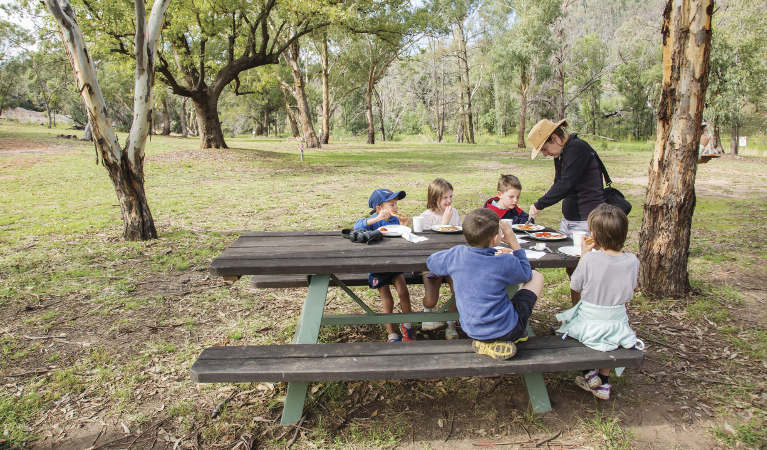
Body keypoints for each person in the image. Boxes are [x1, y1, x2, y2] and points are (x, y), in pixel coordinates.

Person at [427, 208, 544, 360]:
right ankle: (504, 339)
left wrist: (454, 254)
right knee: (537, 276)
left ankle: (486, 342)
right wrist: (514, 242)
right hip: (506, 329)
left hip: (471, 328)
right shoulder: (504, 262)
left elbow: (432, 263)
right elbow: (526, 274)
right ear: (496, 239)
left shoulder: (457, 255)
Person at [555, 203, 644, 400]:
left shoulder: (590, 260)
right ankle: (603, 381)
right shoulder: (632, 260)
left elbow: (575, 285)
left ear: (595, 235)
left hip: (590, 320)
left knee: (569, 328)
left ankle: (588, 371)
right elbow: (632, 288)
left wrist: (585, 255)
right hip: (618, 322)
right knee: (609, 340)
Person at [527, 119, 605, 304]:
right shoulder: (562, 153)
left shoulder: (577, 149)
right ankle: (578, 310)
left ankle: (590, 312)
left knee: (586, 267)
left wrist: (540, 204)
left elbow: (566, 184)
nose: (545, 154)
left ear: (555, 138)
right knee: (573, 268)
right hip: (572, 218)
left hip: (587, 217)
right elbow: (559, 183)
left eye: (545, 149)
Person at [354, 189, 415, 342]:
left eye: (396, 204)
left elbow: (403, 240)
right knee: (387, 299)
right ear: (379, 208)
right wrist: (376, 219)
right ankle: (391, 333)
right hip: (377, 265)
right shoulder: (373, 221)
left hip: (394, 263)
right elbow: (356, 226)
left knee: (403, 292)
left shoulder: (395, 220)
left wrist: (404, 226)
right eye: (391, 204)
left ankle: (407, 326)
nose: (395, 207)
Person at [418, 178, 460, 339]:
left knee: (458, 291)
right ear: (434, 198)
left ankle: (450, 324)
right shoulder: (426, 217)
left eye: (451, 197)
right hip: (432, 262)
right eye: (445, 198)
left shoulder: (453, 212)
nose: (449, 201)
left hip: (451, 260)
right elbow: (427, 245)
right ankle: (427, 314)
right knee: (431, 299)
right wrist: (444, 223)